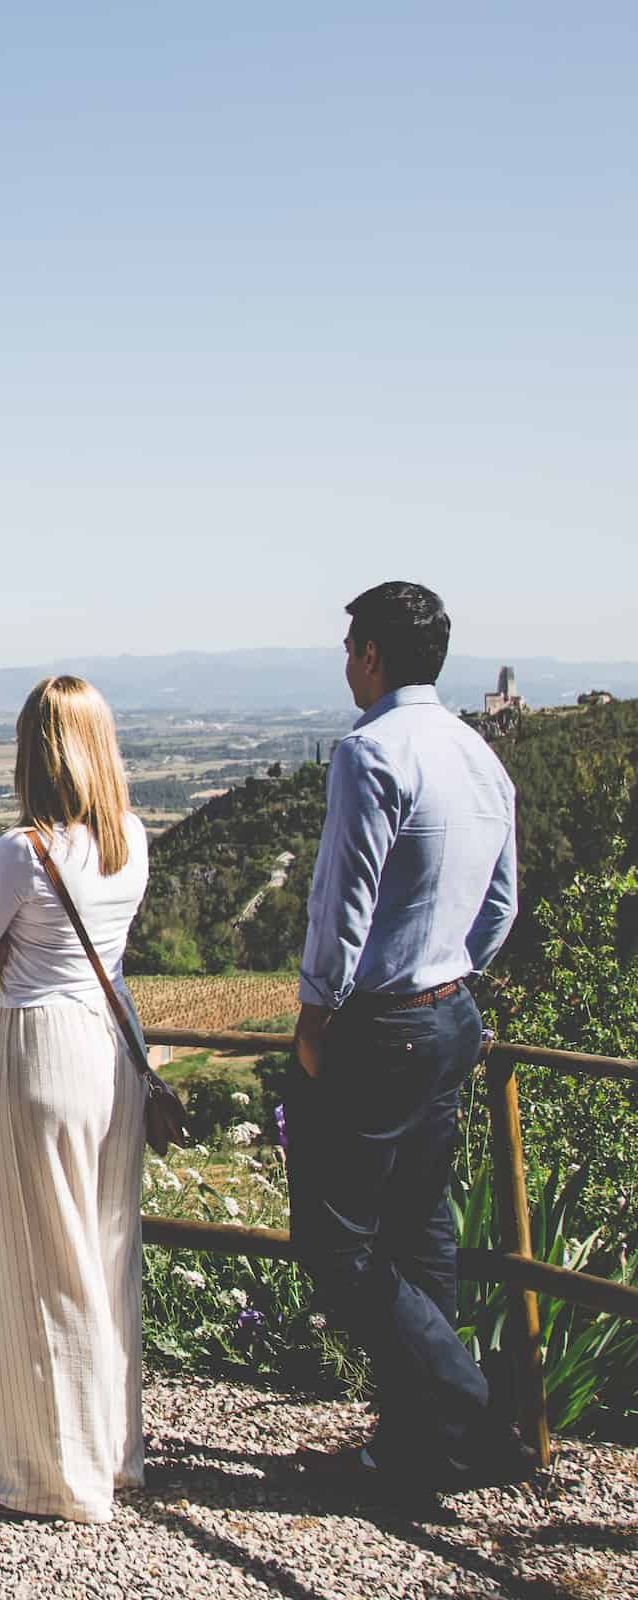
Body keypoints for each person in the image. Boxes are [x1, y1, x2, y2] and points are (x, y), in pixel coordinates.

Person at [288, 580, 533, 1500]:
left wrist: (317, 1017)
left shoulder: (370, 752)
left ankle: (471, 1410)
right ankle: (418, 1446)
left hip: (377, 1026)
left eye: (352, 645)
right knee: (420, 1233)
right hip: (451, 1014)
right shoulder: (479, 756)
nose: (346, 659)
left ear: (377, 656)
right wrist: (447, 974)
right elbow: (501, 904)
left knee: (335, 1243)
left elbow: (338, 907)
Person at [0, 675, 151, 1523]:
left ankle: (56, 1473)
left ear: (34, 751)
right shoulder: (131, 837)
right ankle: (114, 1452)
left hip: (42, 1049)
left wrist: (1, 957)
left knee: (41, 1261)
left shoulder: (22, 852)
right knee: (104, 1249)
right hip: (109, 1048)